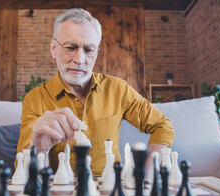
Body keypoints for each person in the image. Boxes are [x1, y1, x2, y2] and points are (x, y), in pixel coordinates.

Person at [17, 8, 174, 176]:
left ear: (96, 53)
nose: (79, 59)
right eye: (71, 47)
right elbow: (23, 172)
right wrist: (38, 147)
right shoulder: (35, 99)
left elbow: (162, 125)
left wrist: (148, 171)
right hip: (60, 194)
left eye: (89, 50)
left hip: (112, 192)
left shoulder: (118, 89)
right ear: (54, 49)